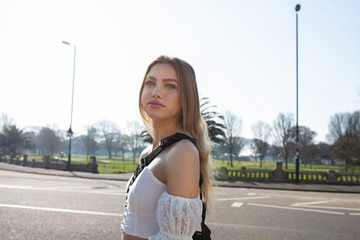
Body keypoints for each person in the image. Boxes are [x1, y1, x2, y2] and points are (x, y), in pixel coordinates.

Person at [121, 55, 213, 240]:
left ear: (187, 97)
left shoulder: (182, 152)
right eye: (150, 83)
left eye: (170, 85)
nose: (156, 92)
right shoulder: (148, 153)